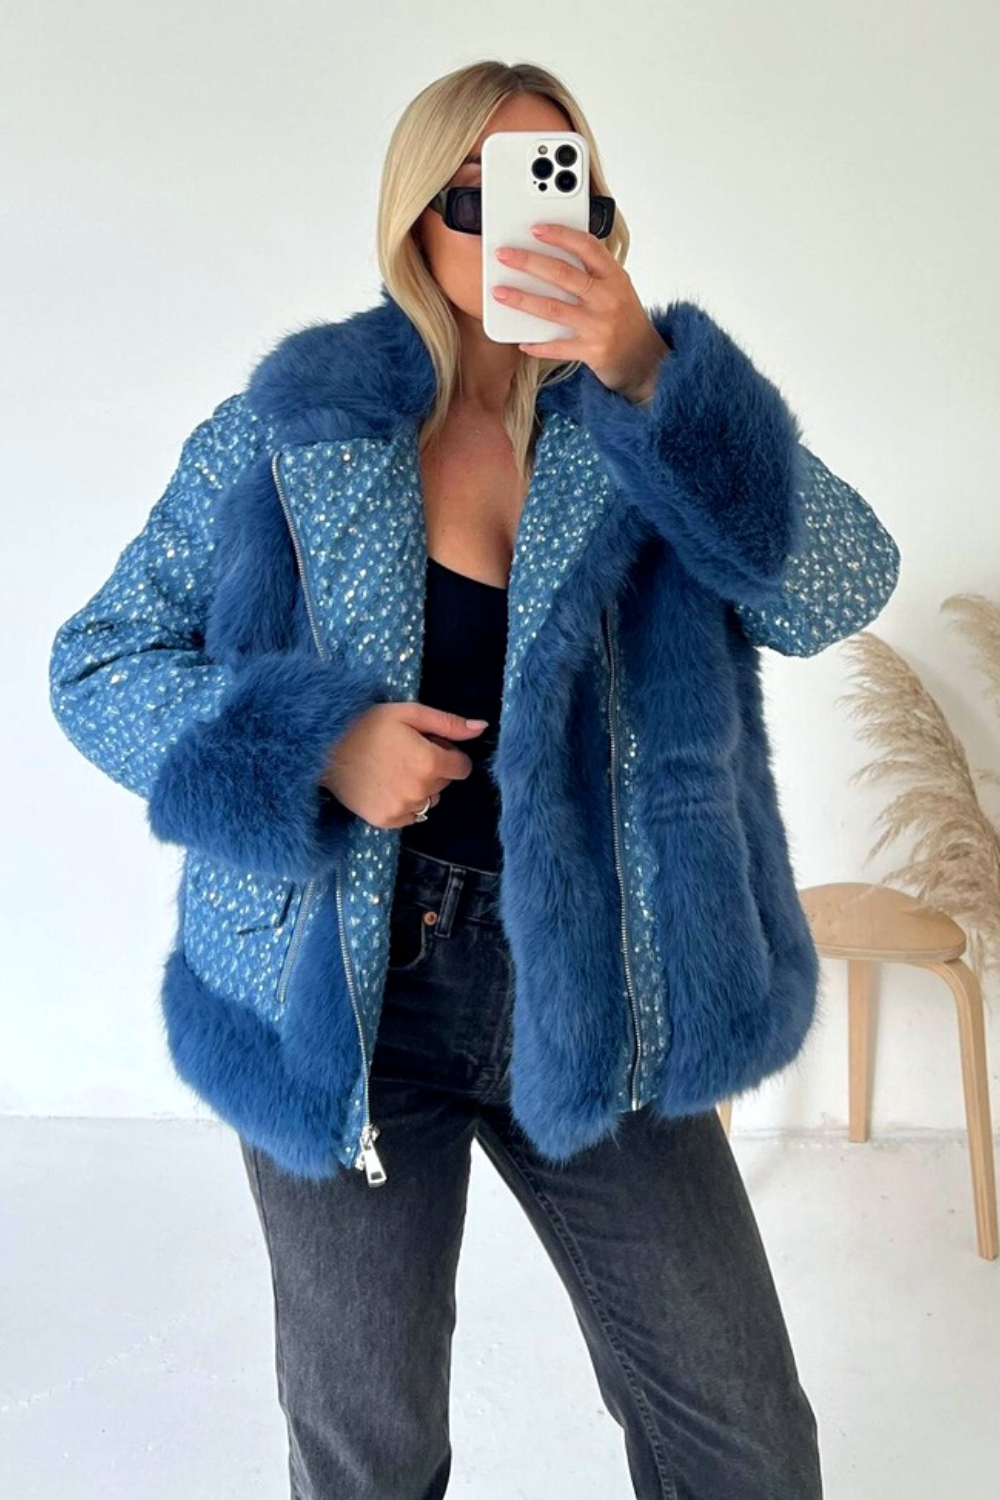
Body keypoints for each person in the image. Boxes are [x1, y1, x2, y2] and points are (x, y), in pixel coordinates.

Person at [50, 57, 901, 1500]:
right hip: (345, 992)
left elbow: (839, 585)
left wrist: (656, 374)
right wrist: (318, 743)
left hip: (609, 979)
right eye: (476, 196)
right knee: (370, 1456)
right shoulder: (291, 431)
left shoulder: (654, 434)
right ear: (413, 220)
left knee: (748, 1445)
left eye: (558, 190)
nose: (517, 228)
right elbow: (99, 662)